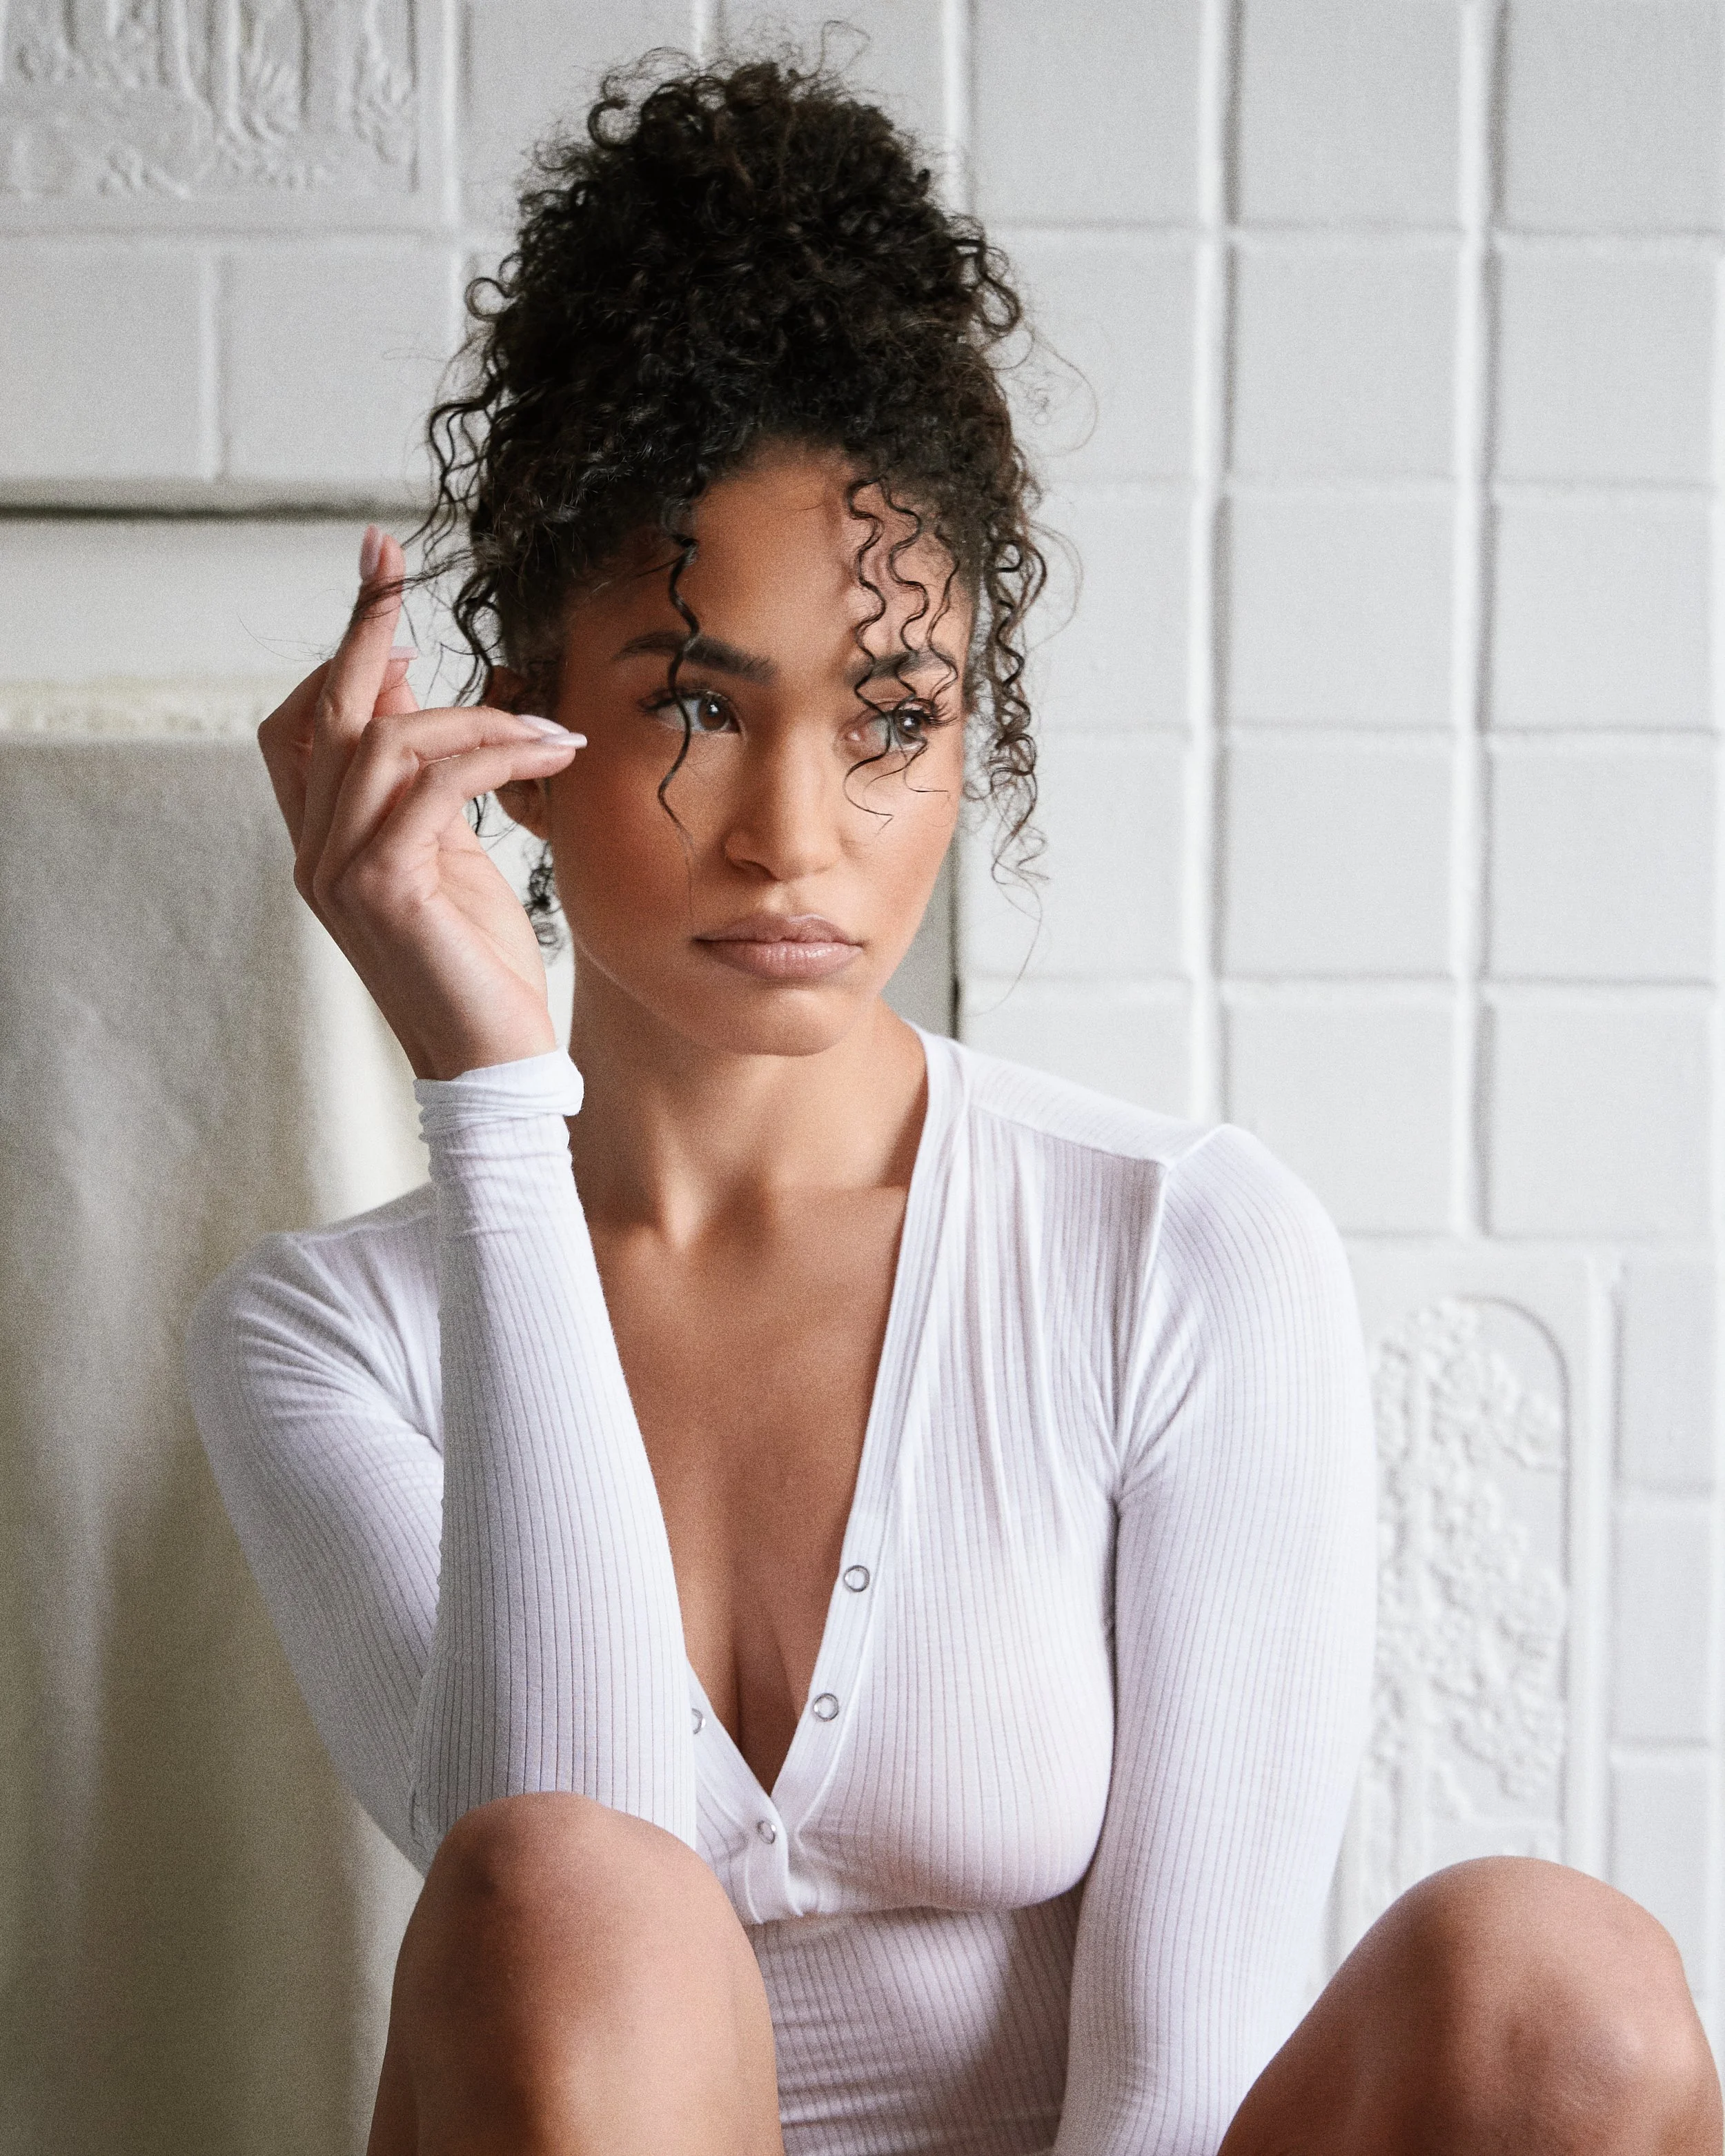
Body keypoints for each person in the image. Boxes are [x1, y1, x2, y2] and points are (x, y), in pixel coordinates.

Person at [186, 52, 1720, 2156]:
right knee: (559, 1897)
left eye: (891, 710)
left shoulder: (1172, 1250)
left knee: (1567, 1996)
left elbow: (1178, 2085)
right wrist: (486, 1094)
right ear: (520, 700)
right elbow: (561, 1882)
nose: (797, 835)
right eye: (697, 705)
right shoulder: (325, 1341)